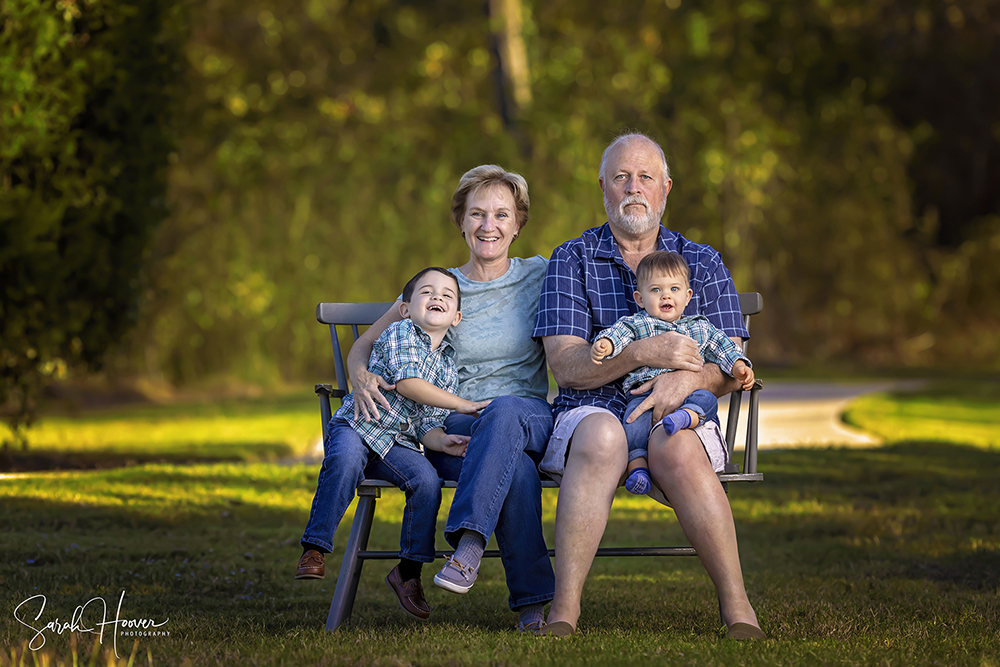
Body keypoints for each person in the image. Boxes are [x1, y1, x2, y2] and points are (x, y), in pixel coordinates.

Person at [533, 132, 766, 639]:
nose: (632, 188)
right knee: (602, 436)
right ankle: (564, 611)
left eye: (645, 178)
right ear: (603, 188)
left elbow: (729, 362)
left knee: (678, 447)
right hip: (589, 410)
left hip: (679, 412)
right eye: (621, 178)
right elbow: (567, 366)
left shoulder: (701, 262)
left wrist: (681, 381)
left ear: (665, 189)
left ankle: (738, 608)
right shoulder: (570, 259)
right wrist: (641, 354)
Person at [346, 165, 555, 632]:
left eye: (502, 214)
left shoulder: (542, 274)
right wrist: (359, 375)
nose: (489, 225)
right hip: (456, 430)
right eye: (477, 213)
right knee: (515, 469)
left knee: (503, 410)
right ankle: (534, 606)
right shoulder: (441, 288)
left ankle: (468, 545)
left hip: (529, 415)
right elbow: (367, 344)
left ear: (518, 224)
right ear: (460, 220)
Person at [296, 267, 489, 622]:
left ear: (456, 317)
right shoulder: (401, 332)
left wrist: (442, 440)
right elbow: (408, 384)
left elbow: (428, 421)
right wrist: (461, 405)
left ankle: (408, 572)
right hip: (359, 425)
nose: (437, 298)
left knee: (427, 482)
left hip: (399, 442)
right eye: (427, 293)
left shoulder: (448, 366)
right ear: (405, 308)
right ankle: (315, 547)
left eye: (447, 296)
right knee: (345, 460)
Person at [588, 250, 755, 495]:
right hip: (644, 396)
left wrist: (739, 365)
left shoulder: (699, 327)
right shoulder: (638, 324)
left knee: (706, 399)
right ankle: (638, 467)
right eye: (656, 290)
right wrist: (606, 344)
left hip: (688, 394)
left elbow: (723, 347)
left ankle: (686, 417)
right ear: (640, 298)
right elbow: (618, 334)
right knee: (632, 422)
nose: (666, 295)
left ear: (688, 296)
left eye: (674, 289)